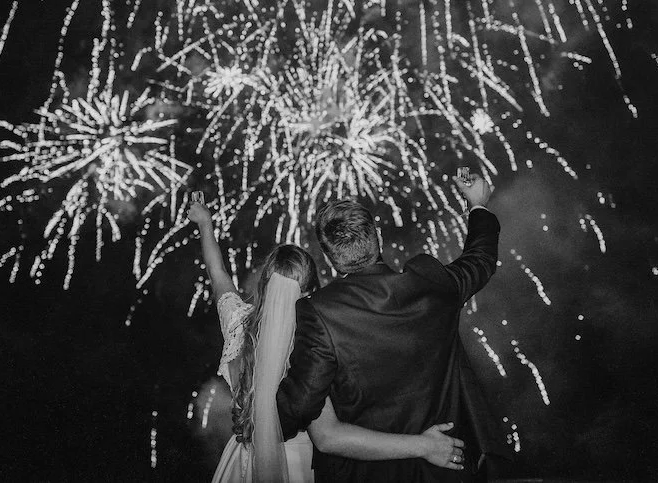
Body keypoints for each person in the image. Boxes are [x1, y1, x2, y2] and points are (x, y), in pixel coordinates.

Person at [188, 199, 466, 482]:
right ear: (311, 290)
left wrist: (204, 223)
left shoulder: (238, 324)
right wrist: (424, 446)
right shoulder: (314, 343)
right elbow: (329, 435)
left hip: (242, 460)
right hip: (300, 465)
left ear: (264, 285)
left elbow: (217, 272)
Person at [277, 168, 505, 481]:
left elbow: (301, 403)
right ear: (378, 237)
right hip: (444, 468)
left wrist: (259, 423)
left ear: (330, 257)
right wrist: (479, 204)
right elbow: (480, 259)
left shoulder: (318, 313)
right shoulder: (431, 283)